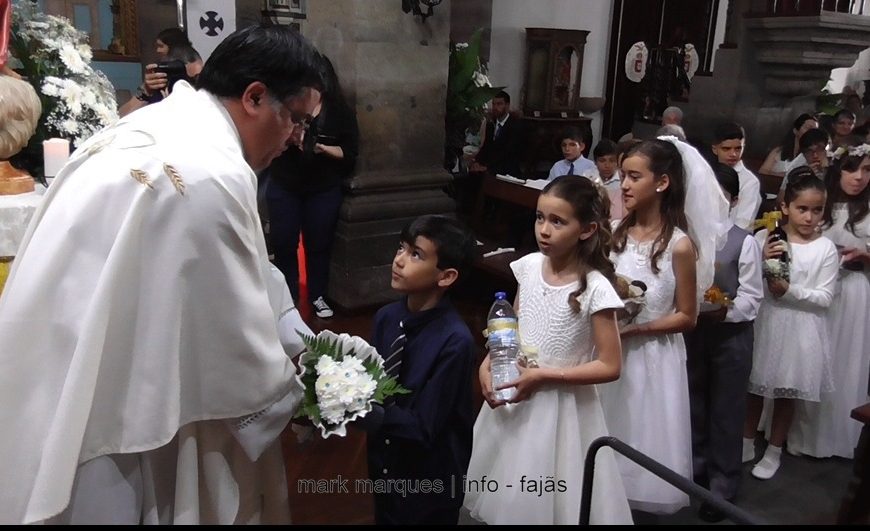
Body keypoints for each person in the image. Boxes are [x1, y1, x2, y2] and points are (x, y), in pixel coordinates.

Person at [0, 24, 324, 524]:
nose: (297, 140)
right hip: (124, 411)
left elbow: (247, 268)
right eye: (297, 120)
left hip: (55, 368)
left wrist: (303, 337)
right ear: (255, 96)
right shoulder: (212, 172)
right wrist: (309, 389)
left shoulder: (156, 126)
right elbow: (233, 340)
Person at [464, 175, 632, 525]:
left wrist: (544, 375)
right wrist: (488, 363)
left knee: (548, 498)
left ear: (586, 230)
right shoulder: (527, 268)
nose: (544, 229)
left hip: (561, 408)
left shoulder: (595, 288)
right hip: (515, 395)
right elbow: (509, 327)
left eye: (558, 221)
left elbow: (610, 365)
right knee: (504, 490)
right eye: (540, 217)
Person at [599, 137, 729, 514]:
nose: (623, 185)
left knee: (639, 438)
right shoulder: (615, 231)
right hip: (610, 346)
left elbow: (686, 316)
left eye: (633, 176)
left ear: (662, 182)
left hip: (651, 356)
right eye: (622, 175)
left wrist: (638, 329)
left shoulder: (679, 245)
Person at [361, 215, 477, 525]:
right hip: (386, 463)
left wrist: (362, 411)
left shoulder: (455, 341)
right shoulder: (386, 318)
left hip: (429, 479)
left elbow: (426, 426)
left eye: (416, 254)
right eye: (401, 248)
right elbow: (375, 383)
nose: (399, 260)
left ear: (446, 276)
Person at [743, 168, 839, 480]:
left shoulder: (825, 248)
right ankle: (745, 442)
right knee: (754, 387)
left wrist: (790, 291)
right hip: (766, 321)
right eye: (802, 209)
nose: (810, 217)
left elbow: (825, 297)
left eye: (817, 210)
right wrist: (761, 260)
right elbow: (749, 282)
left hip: (801, 328)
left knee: (786, 392)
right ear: (785, 207)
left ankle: (774, 450)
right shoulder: (765, 236)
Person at [685, 162, 763, 522]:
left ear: (732, 200)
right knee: (694, 403)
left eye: (721, 196)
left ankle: (722, 488)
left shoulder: (743, 241)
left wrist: (723, 311)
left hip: (730, 337)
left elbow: (751, 298)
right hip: (693, 332)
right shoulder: (689, 237)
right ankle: (695, 472)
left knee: (726, 412)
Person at [787, 142, 870, 459]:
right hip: (814, 284)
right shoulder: (819, 202)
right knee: (808, 355)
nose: (858, 177)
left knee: (841, 359)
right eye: (851, 169)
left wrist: (863, 254)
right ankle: (794, 428)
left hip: (852, 289)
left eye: (865, 170)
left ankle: (829, 435)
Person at [265, 56, 359, 319]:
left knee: (319, 243)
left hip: (322, 187)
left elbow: (350, 152)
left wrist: (320, 147)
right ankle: (288, 298)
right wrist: (287, 138)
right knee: (283, 241)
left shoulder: (338, 111)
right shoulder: (285, 106)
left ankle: (317, 295)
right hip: (285, 183)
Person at [119, 44, 204, 118]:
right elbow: (118, 121)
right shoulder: (156, 94)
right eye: (191, 80)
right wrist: (146, 91)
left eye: (200, 77)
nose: (196, 86)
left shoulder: (204, 98)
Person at [711, 122, 762, 230]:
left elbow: (744, 224)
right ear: (715, 149)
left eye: (738, 149)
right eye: (726, 149)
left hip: (734, 241)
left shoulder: (750, 182)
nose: (733, 154)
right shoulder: (707, 173)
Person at [470, 90, 524, 177]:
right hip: (491, 165)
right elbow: (486, 146)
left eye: (499, 104)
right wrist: (477, 161)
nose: (495, 107)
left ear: (507, 105)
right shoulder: (491, 124)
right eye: (493, 104)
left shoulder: (515, 126)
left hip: (506, 168)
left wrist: (487, 167)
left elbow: (508, 152)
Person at [586, 138, 625, 220]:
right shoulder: (587, 177)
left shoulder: (623, 180)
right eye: (602, 160)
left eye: (612, 161)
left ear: (618, 162)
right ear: (595, 162)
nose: (607, 165)